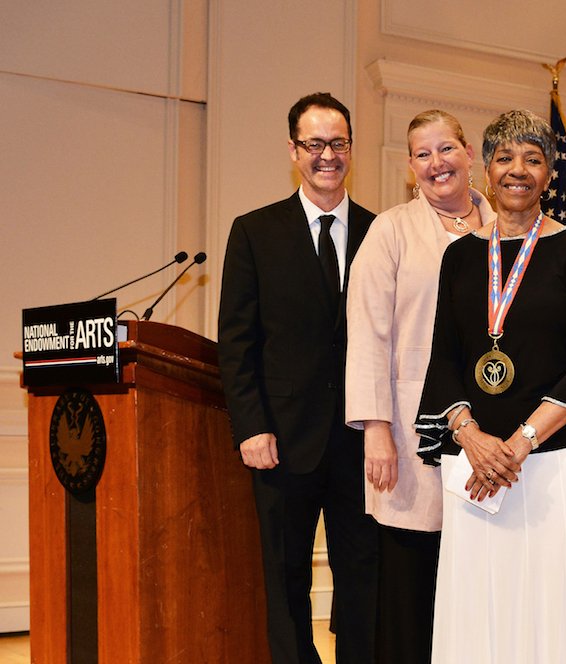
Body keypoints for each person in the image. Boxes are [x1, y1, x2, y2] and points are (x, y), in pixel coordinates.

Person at [414, 109, 566, 664]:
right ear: (485, 170)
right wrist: (471, 438)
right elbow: (444, 360)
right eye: (505, 158)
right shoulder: (460, 257)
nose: (518, 170)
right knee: (481, 606)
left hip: (559, 460)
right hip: (476, 463)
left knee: (558, 607)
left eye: (533, 159)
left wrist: (519, 443)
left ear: (548, 174)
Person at [218, 92, 378, 664]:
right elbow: (237, 343)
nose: (326, 155)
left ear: (351, 150)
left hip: (362, 442)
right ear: (294, 151)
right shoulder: (254, 232)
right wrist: (251, 426)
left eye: (337, 143)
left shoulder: (379, 233)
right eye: (314, 144)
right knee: (285, 578)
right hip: (281, 441)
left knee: (362, 574)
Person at [344, 109, 496, 664]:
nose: (437, 163)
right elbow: (366, 334)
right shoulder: (390, 231)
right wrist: (375, 430)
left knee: (481, 579)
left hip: (492, 433)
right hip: (411, 437)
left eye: (446, 149)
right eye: (423, 154)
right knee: (413, 583)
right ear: (410, 167)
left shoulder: (505, 225)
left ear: (469, 153)